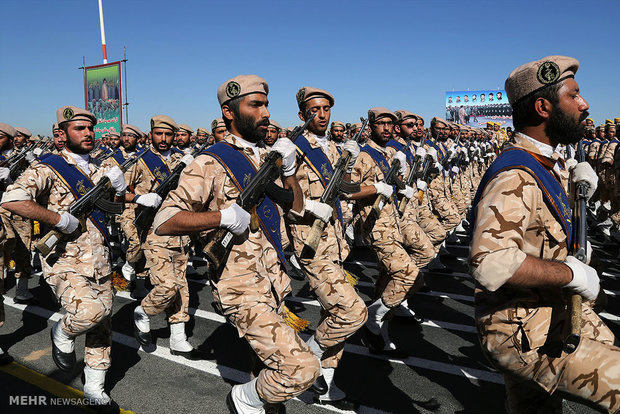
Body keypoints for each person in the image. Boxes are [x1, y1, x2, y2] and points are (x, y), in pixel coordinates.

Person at [153, 75, 320, 413]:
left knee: (265, 369)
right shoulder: (210, 161)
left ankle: (257, 403)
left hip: (274, 281)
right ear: (230, 113)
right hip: (240, 287)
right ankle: (242, 398)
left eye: (266, 104)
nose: (266, 113)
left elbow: (298, 209)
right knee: (301, 367)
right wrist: (222, 217)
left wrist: (289, 169)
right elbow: (165, 221)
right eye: (255, 105)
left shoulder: (267, 158)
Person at [470, 55, 620, 413]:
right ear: (543, 107)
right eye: (574, 96)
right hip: (520, 329)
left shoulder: (545, 165)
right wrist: (571, 274)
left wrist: (578, 190)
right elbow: (489, 263)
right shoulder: (516, 174)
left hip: (549, 310)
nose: (584, 105)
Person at [1, 106, 127, 412]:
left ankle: (95, 387)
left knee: (103, 325)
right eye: (79, 129)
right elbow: (12, 199)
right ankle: (63, 330)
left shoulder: (101, 169)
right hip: (65, 260)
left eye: (90, 128)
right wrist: (57, 218)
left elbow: (116, 210)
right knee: (90, 313)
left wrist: (120, 190)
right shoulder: (48, 168)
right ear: (62, 133)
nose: (87, 133)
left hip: (100, 258)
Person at [287, 86, 367, 409]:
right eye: (315, 110)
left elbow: (343, 189)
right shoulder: (293, 149)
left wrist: (349, 159)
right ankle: (306, 358)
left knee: (330, 314)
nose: (321, 115)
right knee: (352, 312)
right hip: (310, 242)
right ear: (302, 114)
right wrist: (308, 208)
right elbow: (285, 198)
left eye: (326, 109)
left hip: (334, 241)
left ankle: (325, 386)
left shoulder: (332, 148)